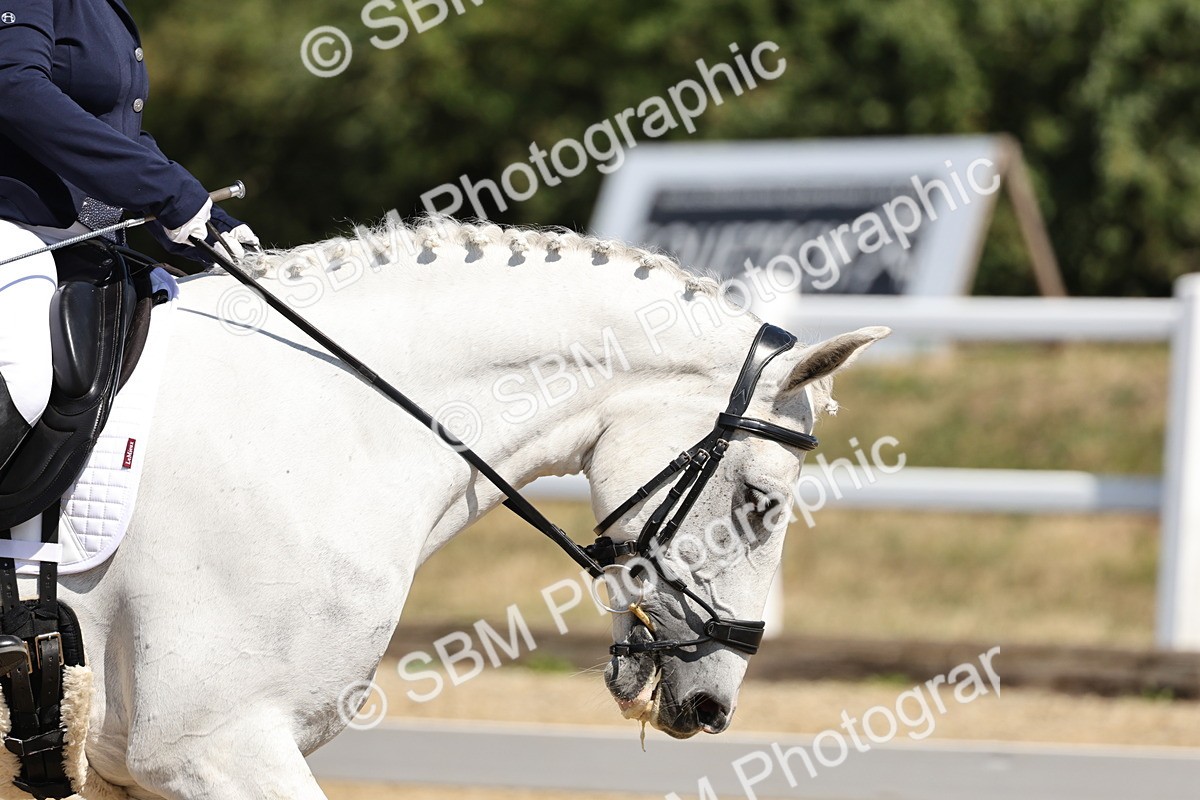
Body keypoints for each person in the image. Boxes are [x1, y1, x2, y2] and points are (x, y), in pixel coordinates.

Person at [0, 0, 257, 468]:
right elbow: (14, 87)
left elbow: (111, 123)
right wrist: (163, 190)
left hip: (84, 241)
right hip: (14, 228)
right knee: (24, 381)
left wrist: (188, 203)